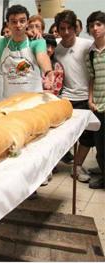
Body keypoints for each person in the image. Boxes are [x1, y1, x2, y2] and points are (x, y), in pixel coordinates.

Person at [54, 10, 95, 182]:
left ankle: (77, 167)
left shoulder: (87, 45)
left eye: (69, 28)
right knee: (60, 135)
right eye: (62, 28)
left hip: (87, 97)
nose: (66, 32)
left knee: (88, 136)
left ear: (75, 28)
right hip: (65, 98)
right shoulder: (55, 46)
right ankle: (52, 164)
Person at [0, 4, 53, 100]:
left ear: (27, 23)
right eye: (14, 22)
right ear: (8, 24)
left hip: (32, 101)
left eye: (22, 21)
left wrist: (48, 72)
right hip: (8, 101)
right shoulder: (1, 43)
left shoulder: (37, 42)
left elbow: (42, 56)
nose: (18, 25)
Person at [86, 11, 105, 189]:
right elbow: (91, 78)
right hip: (98, 106)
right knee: (100, 149)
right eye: (92, 25)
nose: (95, 28)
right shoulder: (90, 53)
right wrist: (90, 100)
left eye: (99, 24)